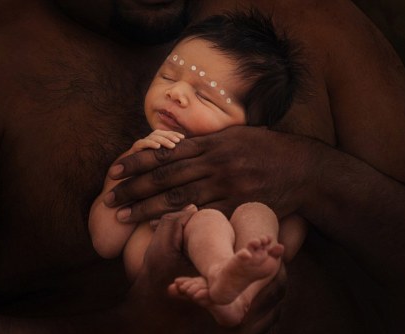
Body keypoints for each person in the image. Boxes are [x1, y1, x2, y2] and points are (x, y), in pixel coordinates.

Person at [0, 0, 405, 333]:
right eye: (170, 75)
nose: (177, 93)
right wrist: (130, 325)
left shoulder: (319, 22)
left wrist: (317, 176)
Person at [89, 11, 307, 327]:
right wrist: (123, 177)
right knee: (206, 218)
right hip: (160, 271)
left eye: (204, 96)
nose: (175, 93)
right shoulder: (144, 156)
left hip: (231, 282)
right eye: (168, 76)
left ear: (254, 131)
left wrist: (274, 232)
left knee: (261, 213)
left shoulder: (264, 173)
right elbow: (105, 243)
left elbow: (292, 232)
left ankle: (240, 294)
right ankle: (222, 276)